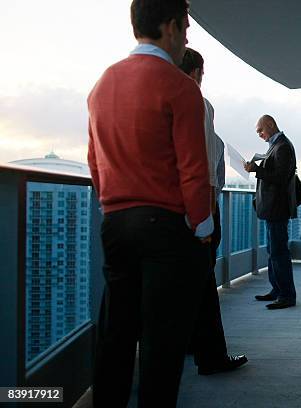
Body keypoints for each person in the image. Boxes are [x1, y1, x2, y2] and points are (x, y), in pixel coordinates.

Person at [87, 1, 214, 406]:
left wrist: (111, 206)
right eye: (187, 27)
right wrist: (204, 227)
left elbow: (95, 162)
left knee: (117, 334)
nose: (188, 37)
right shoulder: (180, 87)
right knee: (163, 343)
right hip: (165, 229)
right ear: (171, 27)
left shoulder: (103, 82)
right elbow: (193, 170)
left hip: (116, 222)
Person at [178, 47, 248, 374]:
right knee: (204, 285)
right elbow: (205, 168)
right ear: (196, 73)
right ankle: (211, 356)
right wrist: (205, 219)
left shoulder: (164, 99)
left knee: (187, 284)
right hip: (198, 210)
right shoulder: (198, 103)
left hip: (170, 210)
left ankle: (192, 345)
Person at [244, 115, 297, 310]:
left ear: (271, 125)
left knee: (279, 252)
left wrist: (256, 169)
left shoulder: (282, 146)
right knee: (273, 252)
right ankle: (277, 290)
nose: (259, 134)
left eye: (260, 130)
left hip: (277, 208)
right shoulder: (277, 145)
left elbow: (280, 178)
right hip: (273, 208)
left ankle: (286, 295)